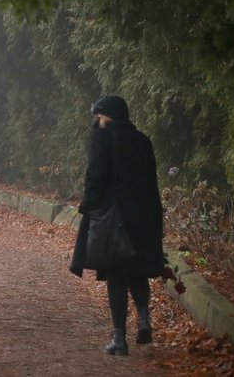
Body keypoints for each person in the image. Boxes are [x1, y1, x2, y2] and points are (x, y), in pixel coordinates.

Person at [71, 95, 165, 356]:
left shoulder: (105, 138)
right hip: (144, 217)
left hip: (115, 217)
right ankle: (144, 318)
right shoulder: (142, 140)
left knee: (116, 276)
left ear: (108, 116)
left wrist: (87, 205)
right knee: (136, 271)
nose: (97, 122)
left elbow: (96, 176)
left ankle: (119, 338)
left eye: (99, 117)